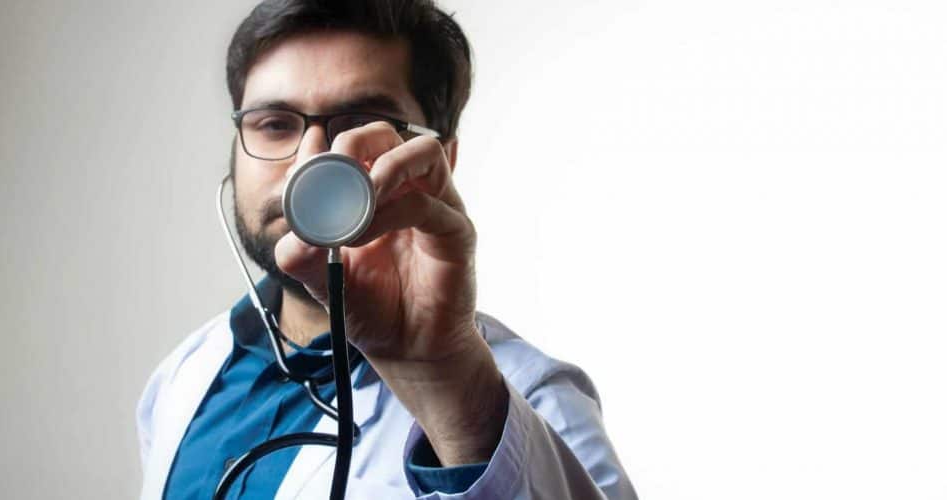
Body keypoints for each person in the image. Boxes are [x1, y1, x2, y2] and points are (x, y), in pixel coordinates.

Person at [137, 1, 637, 498]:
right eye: (274, 124)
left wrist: (444, 383)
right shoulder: (183, 377)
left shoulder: (533, 405)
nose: (309, 163)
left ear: (437, 160)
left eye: (357, 124)